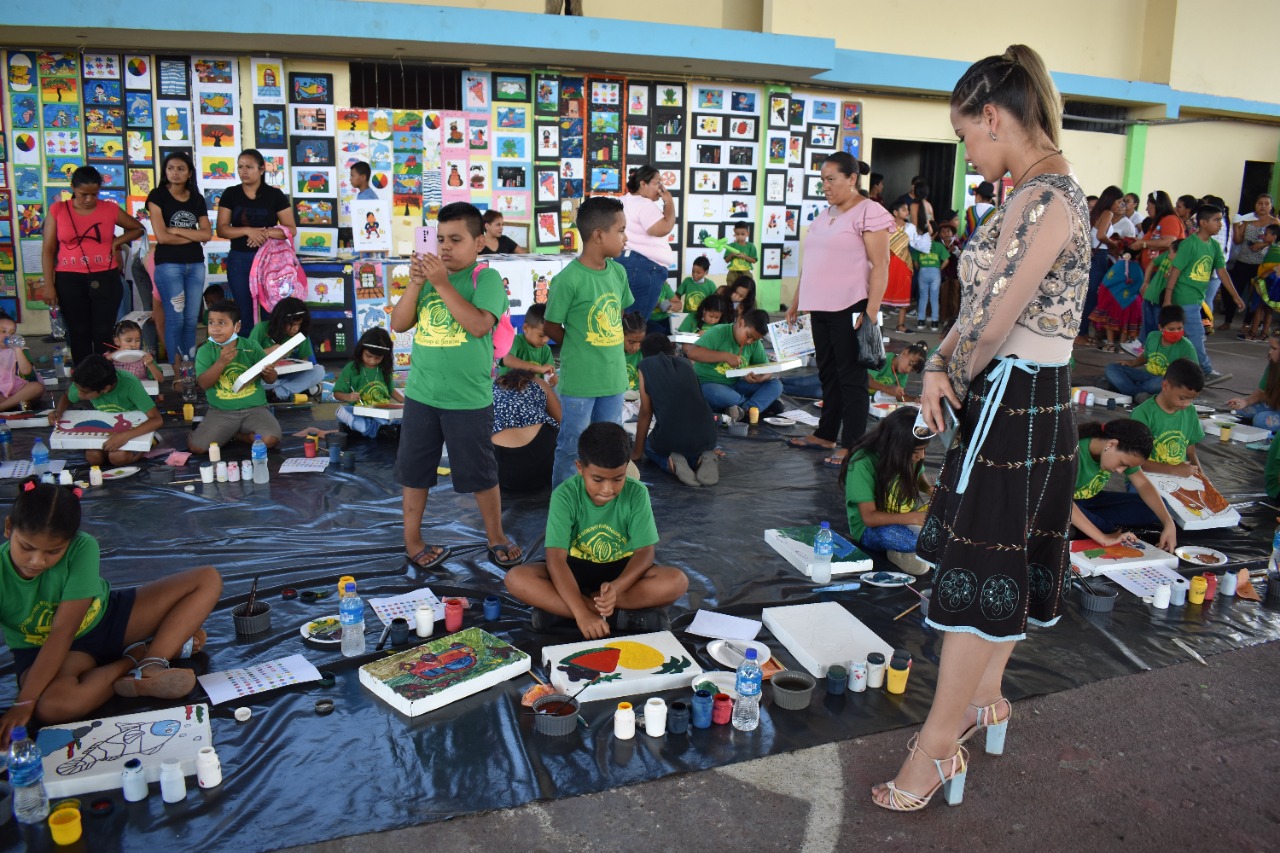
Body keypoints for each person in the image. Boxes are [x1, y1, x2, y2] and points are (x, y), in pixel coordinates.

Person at [876, 45, 1086, 813]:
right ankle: (983, 699)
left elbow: (992, 318)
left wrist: (943, 371)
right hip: (1032, 400)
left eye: (965, 135)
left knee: (974, 580)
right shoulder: (1050, 190)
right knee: (1002, 568)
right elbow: (987, 310)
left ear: (993, 117)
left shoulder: (1042, 196)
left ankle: (936, 747)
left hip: (1014, 400)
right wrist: (947, 362)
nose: (967, 151)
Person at [0, 479, 221, 738]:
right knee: (54, 707)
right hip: (47, 650)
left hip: (106, 619)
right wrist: (25, 701)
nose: (37, 561)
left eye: (54, 551)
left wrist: (25, 702)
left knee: (207, 579)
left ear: (70, 541)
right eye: (26, 547)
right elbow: (60, 639)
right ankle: (135, 657)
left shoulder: (83, 546)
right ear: (8, 528)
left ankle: (153, 661)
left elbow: (64, 628)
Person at [389, 202, 521, 570]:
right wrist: (417, 283)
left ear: (479, 242)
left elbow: (478, 325)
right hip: (422, 396)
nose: (445, 247)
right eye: (440, 239)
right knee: (415, 472)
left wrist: (441, 283)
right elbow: (398, 324)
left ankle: (495, 536)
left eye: (456, 239)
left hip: (468, 399)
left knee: (481, 473)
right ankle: (412, 542)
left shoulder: (486, 279)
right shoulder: (429, 281)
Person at [504, 422, 689, 638]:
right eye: (598, 479)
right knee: (516, 578)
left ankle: (564, 611)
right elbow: (556, 559)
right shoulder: (565, 495)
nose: (607, 489)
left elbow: (644, 552)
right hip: (573, 570)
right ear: (580, 467)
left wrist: (617, 588)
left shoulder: (637, 493)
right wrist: (582, 613)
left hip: (622, 571)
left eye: (618, 479)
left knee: (677, 582)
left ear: (626, 468)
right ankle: (612, 617)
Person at [785, 152, 892, 468]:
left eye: (831, 179)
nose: (826, 186)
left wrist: (870, 312)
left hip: (851, 306)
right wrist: (796, 302)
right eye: (823, 180)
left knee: (851, 378)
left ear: (852, 178)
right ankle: (826, 434)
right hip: (819, 307)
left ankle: (854, 444)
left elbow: (881, 265)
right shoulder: (824, 215)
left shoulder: (869, 212)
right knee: (828, 374)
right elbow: (812, 264)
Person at [544, 196, 633, 486]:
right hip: (580, 382)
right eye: (621, 230)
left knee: (608, 446)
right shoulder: (568, 280)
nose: (625, 237)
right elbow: (550, 325)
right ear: (598, 235)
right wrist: (579, 345)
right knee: (573, 446)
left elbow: (618, 316)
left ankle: (600, 499)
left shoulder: (618, 273)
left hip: (613, 379)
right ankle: (565, 502)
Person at [41, 166, 146, 366]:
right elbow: (48, 249)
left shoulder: (109, 208)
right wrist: (48, 285)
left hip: (106, 277)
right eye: (83, 194)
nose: (89, 199)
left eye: (94, 194)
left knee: (104, 331)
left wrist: (116, 242)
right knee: (78, 331)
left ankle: (105, 373)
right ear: (73, 188)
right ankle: (84, 375)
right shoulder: (58, 210)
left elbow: (137, 228)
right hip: (69, 279)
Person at [1161, 203, 1245, 382]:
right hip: (1184, 296)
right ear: (1203, 223)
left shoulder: (1214, 246)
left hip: (1198, 298)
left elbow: (1222, 272)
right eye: (1216, 220)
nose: (1220, 224)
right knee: (1197, 334)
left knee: (1185, 336)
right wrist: (1168, 298)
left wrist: (1235, 295)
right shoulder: (1189, 244)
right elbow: (1175, 271)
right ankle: (1205, 370)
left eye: (1220, 220)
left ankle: (1172, 368)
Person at [187, 299, 283, 455]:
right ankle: (223, 432)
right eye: (211, 323)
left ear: (237, 326)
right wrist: (221, 362)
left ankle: (237, 436)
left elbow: (271, 380)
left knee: (270, 440)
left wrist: (269, 371)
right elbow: (203, 384)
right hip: (222, 412)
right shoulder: (205, 351)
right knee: (197, 447)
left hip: (255, 409)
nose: (215, 328)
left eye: (222, 323)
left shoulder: (251, 347)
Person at [215, 149, 297, 325]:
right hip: (240, 260)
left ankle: (270, 343)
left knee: (271, 311)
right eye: (240, 167)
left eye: (249, 167)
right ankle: (248, 344)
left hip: (270, 261)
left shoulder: (274, 195)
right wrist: (247, 231)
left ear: (261, 169)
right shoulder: (231, 193)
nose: (244, 171)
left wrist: (264, 233)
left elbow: (290, 230)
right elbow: (222, 229)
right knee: (243, 312)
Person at [146, 151, 211, 370]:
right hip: (169, 265)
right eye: (171, 168)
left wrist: (176, 230)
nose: (175, 173)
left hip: (195, 265)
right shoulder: (157, 196)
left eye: (181, 169)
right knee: (176, 320)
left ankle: (188, 369)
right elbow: (162, 237)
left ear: (189, 173)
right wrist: (192, 235)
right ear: (165, 172)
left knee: (191, 321)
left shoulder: (197, 199)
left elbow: (207, 234)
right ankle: (177, 372)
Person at [1071, 420, 1176, 552]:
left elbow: (1143, 484)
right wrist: (1103, 538)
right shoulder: (1072, 453)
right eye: (1122, 463)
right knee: (1065, 518)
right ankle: (1106, 529)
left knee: (1157, 507)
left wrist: (1169, 523)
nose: (1121, 471)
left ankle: (1094, 527)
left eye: (1126, 467)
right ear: (1111, 444)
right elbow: (1060, 503)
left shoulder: (1122, 451)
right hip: (1063, 505)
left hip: (1089, 502)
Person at [839, 407, 932, 554]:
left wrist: (929, 488)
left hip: (906, 519)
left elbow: (919, 474)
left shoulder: (907, 455)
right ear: (896, 447)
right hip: (872, 529)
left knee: (952, 516)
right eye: (916, 451)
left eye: (924, 449)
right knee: (903, 539)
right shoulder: (862, 463)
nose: (921, 456)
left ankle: (919, 543)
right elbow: (869, 518)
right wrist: (915, 518)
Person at [631, 333, 719, 486]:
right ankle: (700, 459)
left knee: (649, 445)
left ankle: (670, 464)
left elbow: (646, 411)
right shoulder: (686, 363)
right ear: (670, 349)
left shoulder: (645, 366)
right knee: (689, 444)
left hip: (672, 438)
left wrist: (637, 452)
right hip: (708, 435)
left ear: (644, 353)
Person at [50, 354, 162, 467]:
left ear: (106, 389)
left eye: (85, 393)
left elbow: (157, 420)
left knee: (117, 457)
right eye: (78, 389)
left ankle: (148, 445)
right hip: (106, 429)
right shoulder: (84, 383)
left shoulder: (130, 384)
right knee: (93, 457)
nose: (79, 395)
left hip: (133, 428)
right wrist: (58, 411)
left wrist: (125, 436)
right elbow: (67, 396)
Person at [685, 309, 783, 422]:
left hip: (736, 385)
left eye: (754, 339)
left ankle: (744, 410)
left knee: (776, 385)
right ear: (741, 323)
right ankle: (757, 406)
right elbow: (692, 353)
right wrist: (725, 356)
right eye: (748, 336)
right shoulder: (719, 332)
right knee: (715, 393)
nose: (749, 342)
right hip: (709, 384)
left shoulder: (755, 343)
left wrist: (760, 378)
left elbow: (767, 369)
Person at [1130, 358, 1207, 480]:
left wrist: (1203, 479)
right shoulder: (1143, 413)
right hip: (1145, 479)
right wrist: (1174, 470)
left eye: (1192, 399)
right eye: (1182, 398)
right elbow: (1134, 461)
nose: (1187, 404)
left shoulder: (1190, 411)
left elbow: (1190, 452)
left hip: (1177, 478)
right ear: (1165, 386)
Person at [618, 164, 676, 317]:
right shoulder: (644, 203)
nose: (661, 188)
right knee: (635, 323)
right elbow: (663, 228)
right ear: (643, 184)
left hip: (624, 262)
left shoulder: (622, 201)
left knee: (624, 319)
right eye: (657, 183)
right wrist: (669, 201)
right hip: (644, 267)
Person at [1104, 305, 1196, 399]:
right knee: (1111, 368)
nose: (1176, 332)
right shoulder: (1152, 336)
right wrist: (1133, 363)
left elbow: (1194, 374)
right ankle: (1137, 393)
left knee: (1163, 384)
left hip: (1164, 381)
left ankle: (1126, 388)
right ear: (1161, 327)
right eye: (1171, 329)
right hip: (1145, 375)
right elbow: (1146, 356)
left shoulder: (1187, 346)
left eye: (1180, 328)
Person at [246, 297, 327, 402]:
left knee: (319, 371)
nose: (296, 328)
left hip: (287, 375)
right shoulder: (261, 328)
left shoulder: (300, 334)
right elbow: (247, 356)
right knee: (254, 382)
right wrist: (271, 351)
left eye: (299, 324)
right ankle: (294, 389)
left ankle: (276, 393)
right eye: (292, 324)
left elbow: (305, 362)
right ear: (281, 321)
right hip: (264, 377)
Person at [491, 368, 560, 492]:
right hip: (545, 464)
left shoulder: (492, 386)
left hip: (499, 472)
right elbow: (561, 420)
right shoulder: (538, 382)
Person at [333, 327, 404, 439]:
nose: (372, 361)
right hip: (360, 412)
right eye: (368, 356)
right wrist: (348, 396)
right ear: (361, 349)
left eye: (377, 358)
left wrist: (405, 402)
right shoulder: (351, 368)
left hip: (382, 413)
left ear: (384, 356)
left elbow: (391, 390)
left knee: (395, 417)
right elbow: (337, 393)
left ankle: (374, 429)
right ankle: (380, 430)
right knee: (341, 411)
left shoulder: (384, 368)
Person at [1227, 194, 1280, 333]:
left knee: (1255, 295)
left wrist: (1261, 245)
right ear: (1255, 205)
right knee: (1234, 290)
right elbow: (1238, 240)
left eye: (1266, 204)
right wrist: (1236, 225)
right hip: (1243, 260)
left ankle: (1247, 323)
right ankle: (1228, 320)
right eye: (1260, 203)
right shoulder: (1248, 219)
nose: (1263, 206)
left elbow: (1277, 241)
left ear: (1271, 206)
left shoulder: (1274, 222)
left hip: (1261, 264)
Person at [1083, 186, 1125, 349]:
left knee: (1089, 296)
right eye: (1119, 201)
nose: (1120, 205)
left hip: (1093, 255)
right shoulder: (1107, 213)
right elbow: (1101, 235)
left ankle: (1083, 332)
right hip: (1099, 255)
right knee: (1093, 296)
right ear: (1112, 200)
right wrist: (1113, 243)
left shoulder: (1097, 212)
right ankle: (1081, 333)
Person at [1226, 332, 1280, 429]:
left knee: (1260, 420)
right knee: (1241, 409)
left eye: (1274, 348)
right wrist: (1246, 401)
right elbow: (1261, 392)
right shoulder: (1274, 364)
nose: (1270, 352)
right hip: (1274, 406)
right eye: (1270, 347)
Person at [884, 200, 921, 332]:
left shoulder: (910, 228)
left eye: (907, 210)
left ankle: (900, 325)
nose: (907, 212)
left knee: (904, 292)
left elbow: (917, 244)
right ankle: (873, 325)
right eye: (904, 210)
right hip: (887, 263)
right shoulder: (886, 226)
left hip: (904, 263)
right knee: (880, 292)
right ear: (895, 212)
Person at [1138, 238, 1181, 343]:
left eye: (1170, 252)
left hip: (1161, 299)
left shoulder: (1180, 264)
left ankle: (1154, 345)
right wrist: (1146, 281)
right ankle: (1145, 345)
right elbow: (1152, 263)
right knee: (1148, 324)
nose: (1168, 253)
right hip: (1151, 295)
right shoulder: (1166, 255)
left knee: (1157, 324)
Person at [1241, 223, 1280, 340]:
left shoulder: (1276, 249)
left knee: (1259, 306)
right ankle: (1264, 333)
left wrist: (1267, 273)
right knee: (1267, 308)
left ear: (1274, 236)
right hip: (1271, 280)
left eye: (1266, 234)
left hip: (1269, 280)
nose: (1263, 236)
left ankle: (1252, 333)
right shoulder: (1270, 248)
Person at [499, 303, 556, 383]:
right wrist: (538, 368)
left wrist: (553, 378)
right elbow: (507, 360)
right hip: (508, 386)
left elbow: (550, 371)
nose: (545, 340)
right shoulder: (515, 341)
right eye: (541, 335)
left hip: (531, 388)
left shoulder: (546, 350)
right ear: (526, 328)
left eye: (549, 335)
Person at [1130, 190, 1182, 274]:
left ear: (1157, 205)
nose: (1146, 209)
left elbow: (1169, 242)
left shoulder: (1170, 219)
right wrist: (1139, 242)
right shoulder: (1160, 220)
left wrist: (1143, 243)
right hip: (1152, 270)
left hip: (1161, 272)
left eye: (1148, 205)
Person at [0, 313, 43, 413]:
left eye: (12, 333)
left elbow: (26, 371)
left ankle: (4, 406)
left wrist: (18, 350)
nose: (7, 336)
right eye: (3, 331)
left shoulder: (20, 350)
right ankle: (13, 404)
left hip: (18, 390)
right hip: (1, 392)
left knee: (37, 387)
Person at [108, 319, 164, 386]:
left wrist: (150, 364)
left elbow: (161, 380)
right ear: (117, 341)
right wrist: (113, 355)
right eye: (128, 341)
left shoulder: (144, 357)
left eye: (137, 340)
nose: (134, 344)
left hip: (141, 390)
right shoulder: (110, 358)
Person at [915, 227, 949, 331]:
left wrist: (921, 268)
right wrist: (938, 268)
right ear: (936, 233)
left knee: (923, 297)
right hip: (935, 273)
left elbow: (915, 262)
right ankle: (934, 323)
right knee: (934, 298)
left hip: (923, 271)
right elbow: (946, 261)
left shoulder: (919, 245)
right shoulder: (939, 246)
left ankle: (921, 321)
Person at [960, 181, 996, 250]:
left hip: (969, 249)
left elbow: (967, 232)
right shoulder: (996, 212)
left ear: (978, 196)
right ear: (991, 199)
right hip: (985, 250)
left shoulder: (970, 210)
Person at [722, 222, 758, 288]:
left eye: (742, 234)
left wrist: (744, 257)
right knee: (730, 288)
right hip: (733, 272)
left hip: (746, 272)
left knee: (747, 288)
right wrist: (731, 255)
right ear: (734, 233)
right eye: (737, 234)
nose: (740, 236)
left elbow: (754, 260)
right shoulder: (731, 246)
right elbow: (726, 260)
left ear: (747, 233)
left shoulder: (751, 246)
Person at [622, 311, 646, 392]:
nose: (636, 347)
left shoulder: (645, 353)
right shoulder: (612, 354)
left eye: (641, 342)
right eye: (631, 342)